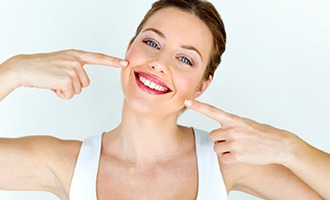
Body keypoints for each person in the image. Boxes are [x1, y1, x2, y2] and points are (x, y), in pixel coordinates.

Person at [0, 0, 329, 199]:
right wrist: (12, 71)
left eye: (186, 59)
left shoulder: (225, 161)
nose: (159, 63)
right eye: (152, 43)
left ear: (201, 86)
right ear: (129, 48)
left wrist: (290, 148)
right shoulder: (67, 164)